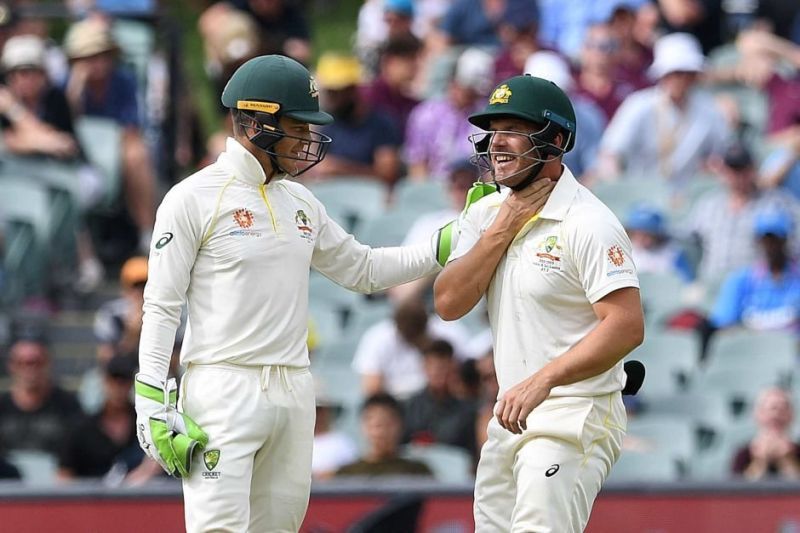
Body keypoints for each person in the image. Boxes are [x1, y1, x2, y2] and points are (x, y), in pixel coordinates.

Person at [135, 55, 444, 533]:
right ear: (257, 123)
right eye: (298, 126)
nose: (308, 140)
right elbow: (161, 303)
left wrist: (446, 245)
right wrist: (150, 400)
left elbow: (362, 269)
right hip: (222, 386)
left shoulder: (300, 200)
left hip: (294, 388)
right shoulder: (192, 198)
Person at [433, 75, 644, 531]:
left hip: (575, 412)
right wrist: (504, 226)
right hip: (511, 417)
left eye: (514, 128)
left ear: (556, 142)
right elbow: (449, 302)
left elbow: (626, 326)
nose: (497, 143)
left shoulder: (589, 222)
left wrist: (543, 380)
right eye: (493, 130)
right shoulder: (487, 213)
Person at [710, 210, 800, 333]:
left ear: (785, 240)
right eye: (765, 240)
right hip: (751, 348)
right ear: (757, 241)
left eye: (775, 240)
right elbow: (723, 324)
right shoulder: (740, 280)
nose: (770, 246)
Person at [0, 326, 83, 457]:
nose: (29, 369)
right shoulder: (2, 407)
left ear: (48, 363)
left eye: (36, 362)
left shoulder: (68, 406)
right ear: (11, 365)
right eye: (22, 363)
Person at [402, 339, 478, 455]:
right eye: (435, 368)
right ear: (424, 367)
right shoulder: (408, 408)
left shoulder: (467, 412)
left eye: (444, 367)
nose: (440, 374)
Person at [335, 392, 433, 478]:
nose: (381, 431)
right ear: (363, 426)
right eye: (375, 424)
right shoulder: (346, 474)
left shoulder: (418, 472)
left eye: (387, 423)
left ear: (401, 426)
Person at [732, 387, 800, 480]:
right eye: (772, 408)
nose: (776, 414)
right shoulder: (743, 455)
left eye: (783, 409)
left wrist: (787, 460)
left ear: (791, 415)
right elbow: (736, 490)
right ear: (758, 414)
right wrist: (760, 461)